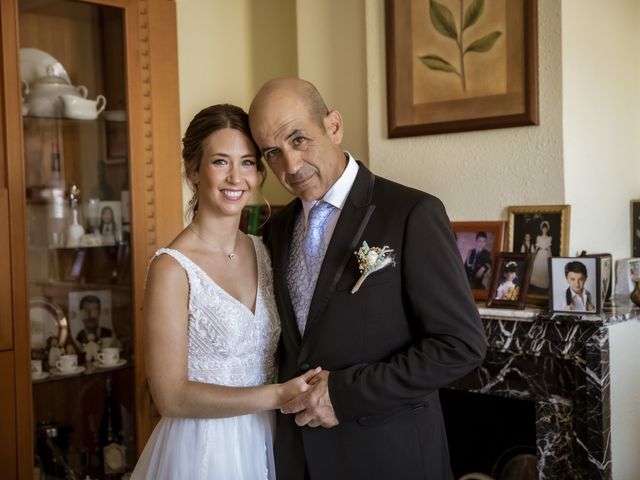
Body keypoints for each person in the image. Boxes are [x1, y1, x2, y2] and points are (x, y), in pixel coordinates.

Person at [249, 78, 486, 480]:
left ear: (334, 126)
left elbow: (461, 346)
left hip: (390, 457)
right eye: (273, 152)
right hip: (298, 458)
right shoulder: (275, 229)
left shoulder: (412, 213)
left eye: (299, 139)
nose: (289, 165)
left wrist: (343, 393)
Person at [131, 104, 320, 479]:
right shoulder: (172, 268)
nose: (236, 177)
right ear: (193, 171)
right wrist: (277, 395)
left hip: (268, 439)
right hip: (203, 448)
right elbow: (170, 397)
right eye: (220, 161)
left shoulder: (264, 251)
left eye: (248, 162)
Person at [530, 220, 552, 288]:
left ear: (547, 230)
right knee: (537, 265)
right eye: (543, 229)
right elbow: (537, 247)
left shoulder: (549, 238)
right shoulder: (538, 237)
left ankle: (543, 283)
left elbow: (548, 247)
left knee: (545, 267)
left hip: (545, 254)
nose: (544, 230)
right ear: (541, 229)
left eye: (545, 229)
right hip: (540, 253)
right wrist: (534, 253)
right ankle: (536, 282)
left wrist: (551, 255)